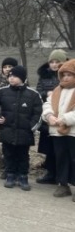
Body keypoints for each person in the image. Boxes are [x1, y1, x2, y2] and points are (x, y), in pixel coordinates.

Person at [0, 66, 43, 191]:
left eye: (15, 76)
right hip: (7, 131)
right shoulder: (2, 92)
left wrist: (32, 127)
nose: (11, 78)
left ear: (22, 78)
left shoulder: (33, 94)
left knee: (23, 156)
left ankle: (23, 177)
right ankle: (10, 175)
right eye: (10, 76)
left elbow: (38, 112)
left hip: (25, 133)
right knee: (8, 154)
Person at [41, 58, 75, 201]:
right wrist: (49, 116)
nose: (66, 77)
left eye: (70, 75)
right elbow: (47, 104)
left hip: (72, 131)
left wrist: (65, 119)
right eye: (64, 74)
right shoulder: (57, 90)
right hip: (57, 131)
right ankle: (62, 184)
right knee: (60, 157)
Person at [35, 49, 67, 185]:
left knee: (62, 148)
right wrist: (46, 93)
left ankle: (63, 175)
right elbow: (38, 91)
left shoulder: (68, 75)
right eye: (52, 62)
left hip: (65, 113)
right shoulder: (44, 75)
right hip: (49, 113)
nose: (54, 65)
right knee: (49, 147)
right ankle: (51, 173)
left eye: (57, 62)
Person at [0, 57, 18, 180]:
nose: (7, 69)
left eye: (10, 67)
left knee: (18, 144)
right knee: (6, 144)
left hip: (17, 118)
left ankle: (18, 169)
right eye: (5, 67)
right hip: (3, 117)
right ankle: (7, 168)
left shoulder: (20, 80)